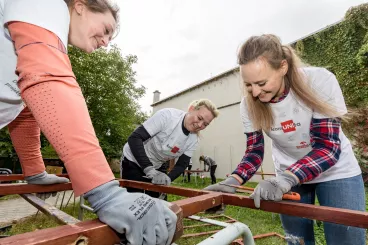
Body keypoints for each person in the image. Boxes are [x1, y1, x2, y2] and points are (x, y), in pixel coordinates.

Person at [0, 0, 177, 244]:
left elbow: (26, 111)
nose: (106, 41)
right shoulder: (47, 5)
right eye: (106, 29)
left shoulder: (41, 34)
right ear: (81, 6)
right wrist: (105, 192)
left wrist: (34, 172)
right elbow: (48, 79)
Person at [204, 34, 365, 245]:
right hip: (287, 174)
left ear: (282, 67)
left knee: (346, 238)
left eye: (261, 82)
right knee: (296, 241)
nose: (255, 92)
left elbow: (327, 148)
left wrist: (286, 179)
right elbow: (254, 152)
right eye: (248, 84)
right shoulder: (248, 104)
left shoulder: (320, 81)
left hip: (336, 171)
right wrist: (232, 182)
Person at [121, 99, 219, 197]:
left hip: (157, 165)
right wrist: (149, 169)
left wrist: (168, 178)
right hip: (133, 160)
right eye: (199, 118)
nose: (200, 125)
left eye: (205, 124)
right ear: (191, 109)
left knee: (157, 203)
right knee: (133, 201)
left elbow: (182, 164)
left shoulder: (193, 139)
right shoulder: (167, 116)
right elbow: (135, 138)